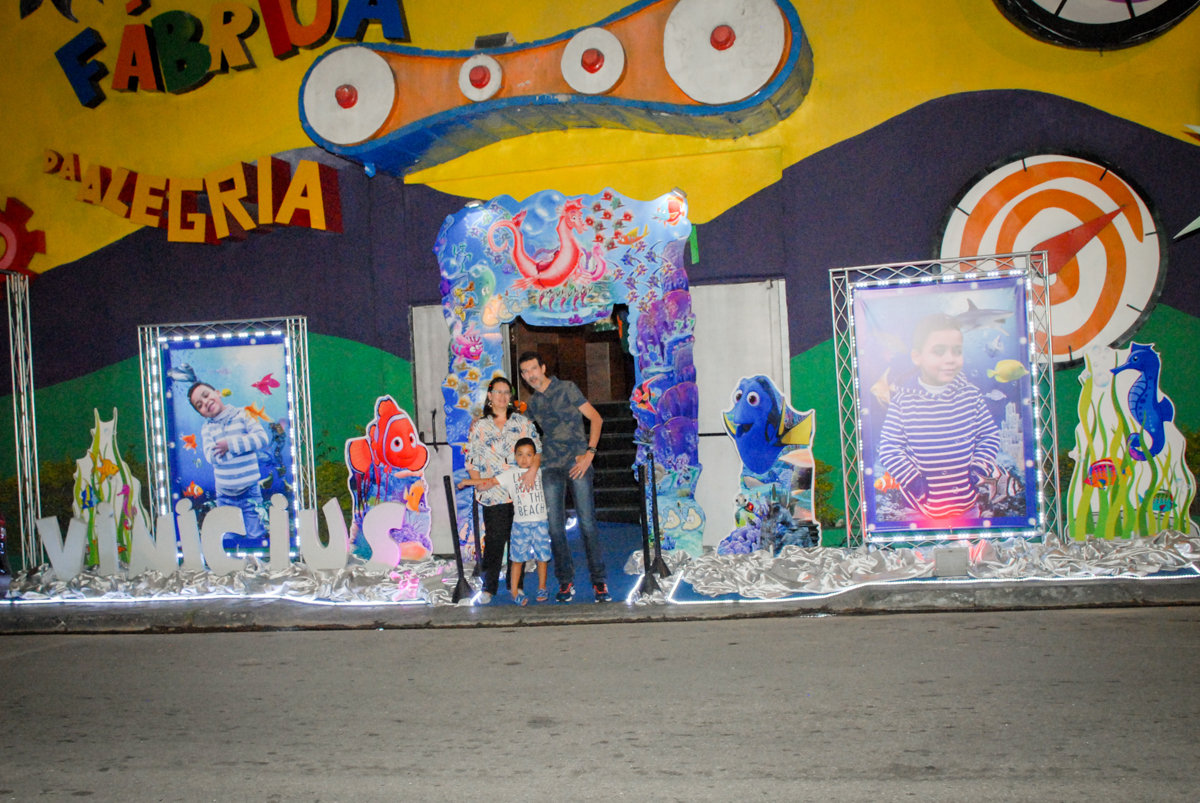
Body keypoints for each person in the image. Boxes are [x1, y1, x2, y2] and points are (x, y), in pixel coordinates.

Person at [877, 313, 1000, 520]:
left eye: (957, 351)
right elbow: (889, 447)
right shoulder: (903, 401)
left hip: (967, 506)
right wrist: (914, 482)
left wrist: (977, 469)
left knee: (972, 551)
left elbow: (990, 436)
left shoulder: (971, 395)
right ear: (917, 357)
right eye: (939, 351)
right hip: (918, 510)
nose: (950, 359)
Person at [517, 351, 608, 603]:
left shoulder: (567, 388)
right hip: (550, 466)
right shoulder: (533, 403)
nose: (530, 375)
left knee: (587, 523)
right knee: (555, 528)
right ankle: (565, 581)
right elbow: (518, 429)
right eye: (525, 372)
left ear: (543, 367)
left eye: (533, 369)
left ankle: (599, 581)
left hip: (578, 461)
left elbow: (596, 418)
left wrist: (590, 454)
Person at [464, 376, 540, 604]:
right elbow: (472, 460)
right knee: (495, 540)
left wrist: (531, 473)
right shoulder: (479, 426)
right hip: (492, 493)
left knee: (519, 540)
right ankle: (489, 586)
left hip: (519, 492)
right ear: (489, 396)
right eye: (498, 392)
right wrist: (479, 484)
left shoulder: (523, 423)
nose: (502, 396)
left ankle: (516, 586)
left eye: (507, 392)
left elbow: (537, 452)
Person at [459, 438, 550, 605]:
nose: (524, 459)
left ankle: (542, 586)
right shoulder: (511, 474)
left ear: (534, 457)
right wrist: (468, 482)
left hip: (540, 522)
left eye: (529, 455)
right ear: (514, 456)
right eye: (520, 455)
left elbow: (540, 455)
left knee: (542, 556)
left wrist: (535, 464)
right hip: (521, 523)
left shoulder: (539, 471)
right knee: (517, 558)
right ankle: (515, 591)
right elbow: (491, 482)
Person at [188, 382, 269, 539]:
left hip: (250, 492)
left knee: (256, 535)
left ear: (218, 393)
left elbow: (261, 439)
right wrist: (244, 443)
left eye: (206, 395)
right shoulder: (207, 428)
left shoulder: (244, 414)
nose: (205, 402)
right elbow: (212, 457)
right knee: (227, 539)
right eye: (200, 405)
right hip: (224, 496)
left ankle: (257, 563)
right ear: (202, 414)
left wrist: (229, 445)